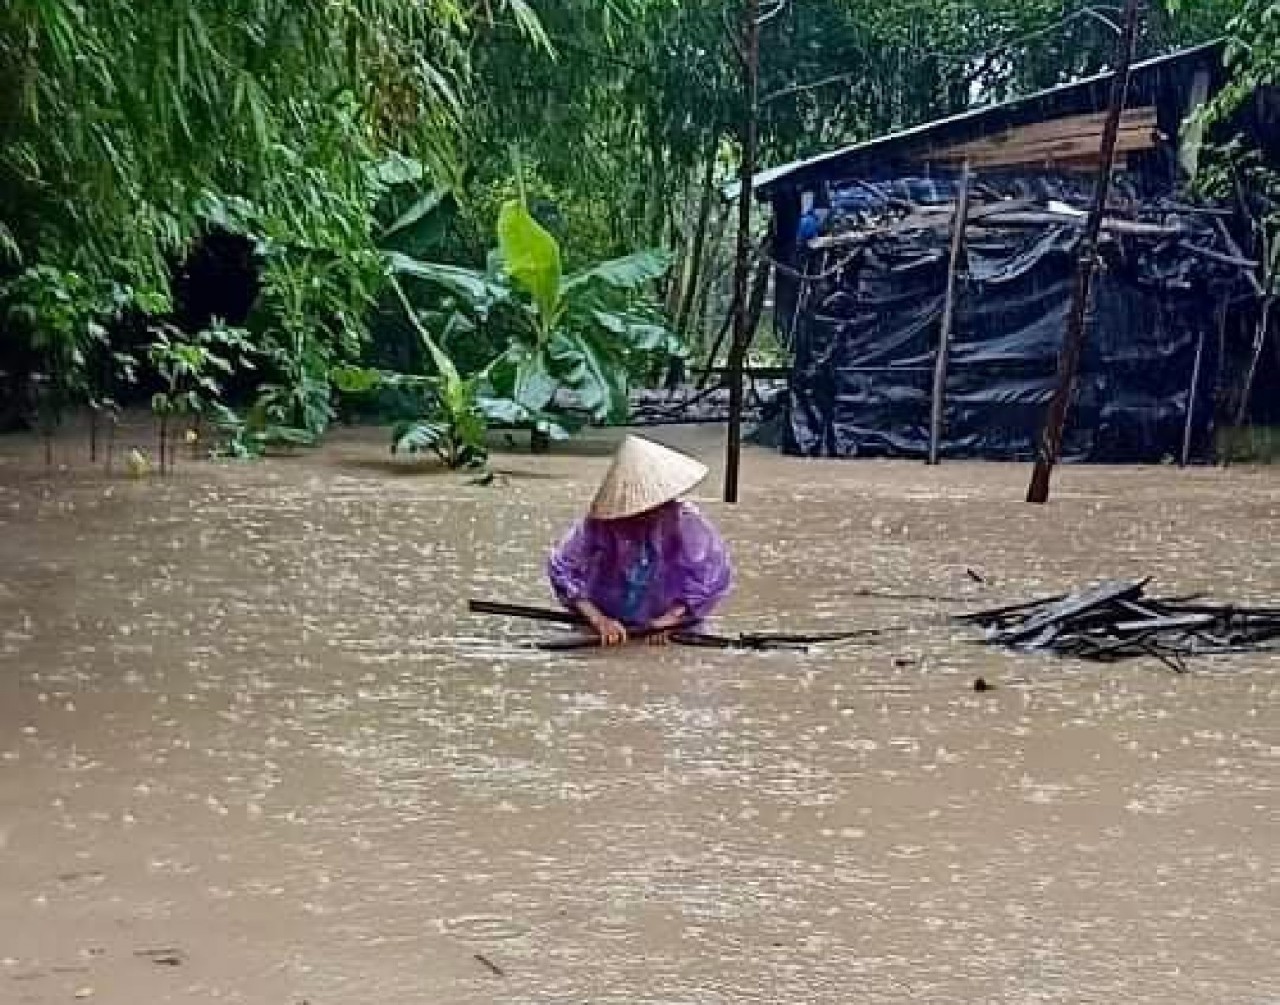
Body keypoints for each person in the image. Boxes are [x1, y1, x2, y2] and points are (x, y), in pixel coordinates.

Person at [547, 435, 732, 646]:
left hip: (673, 624)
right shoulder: (599, 524)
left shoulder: (685, 523)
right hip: (606, 618)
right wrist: (598, 619)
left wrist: (671, 619)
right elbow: (562, 569)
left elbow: (710, 576)